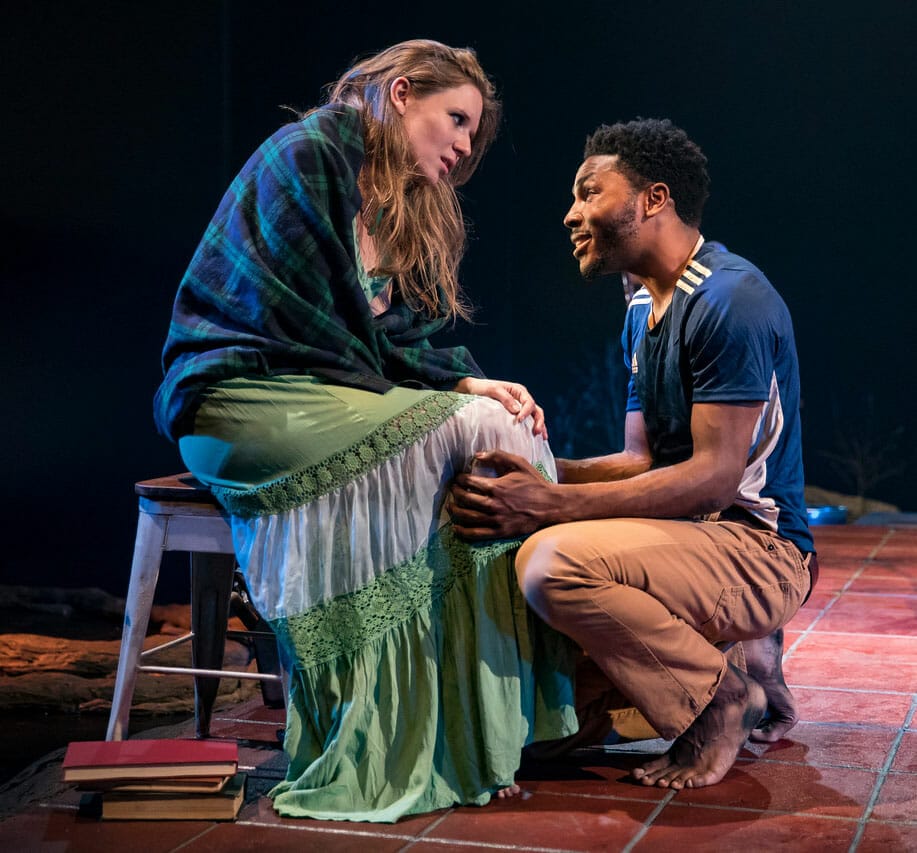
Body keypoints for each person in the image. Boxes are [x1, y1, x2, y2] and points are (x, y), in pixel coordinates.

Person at [153, 40, 577, 822]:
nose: (464, 146)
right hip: (242, 400)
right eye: (456, 120)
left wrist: (463, 379)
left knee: (502, 427)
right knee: (474, 427)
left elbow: (390, 342)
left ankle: (469, 735)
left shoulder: (395, 197)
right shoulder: (307, 155)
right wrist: (450, 392)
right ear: (402, 92)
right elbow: (307, 330)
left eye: (473, 133)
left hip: (330, 397)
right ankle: (375, 740)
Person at [449, 118, 817, 789]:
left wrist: (550, 505)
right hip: (690, 539)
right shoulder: (640, 309)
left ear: (653, 199)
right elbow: (639, 460)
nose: (570, 214)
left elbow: (713, 479)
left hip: (759, 548)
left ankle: (721, 699)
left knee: (551, 563)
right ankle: (730, 667)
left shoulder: (728, 299)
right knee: (537, 734)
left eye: (589, 192)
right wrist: (539, 472)